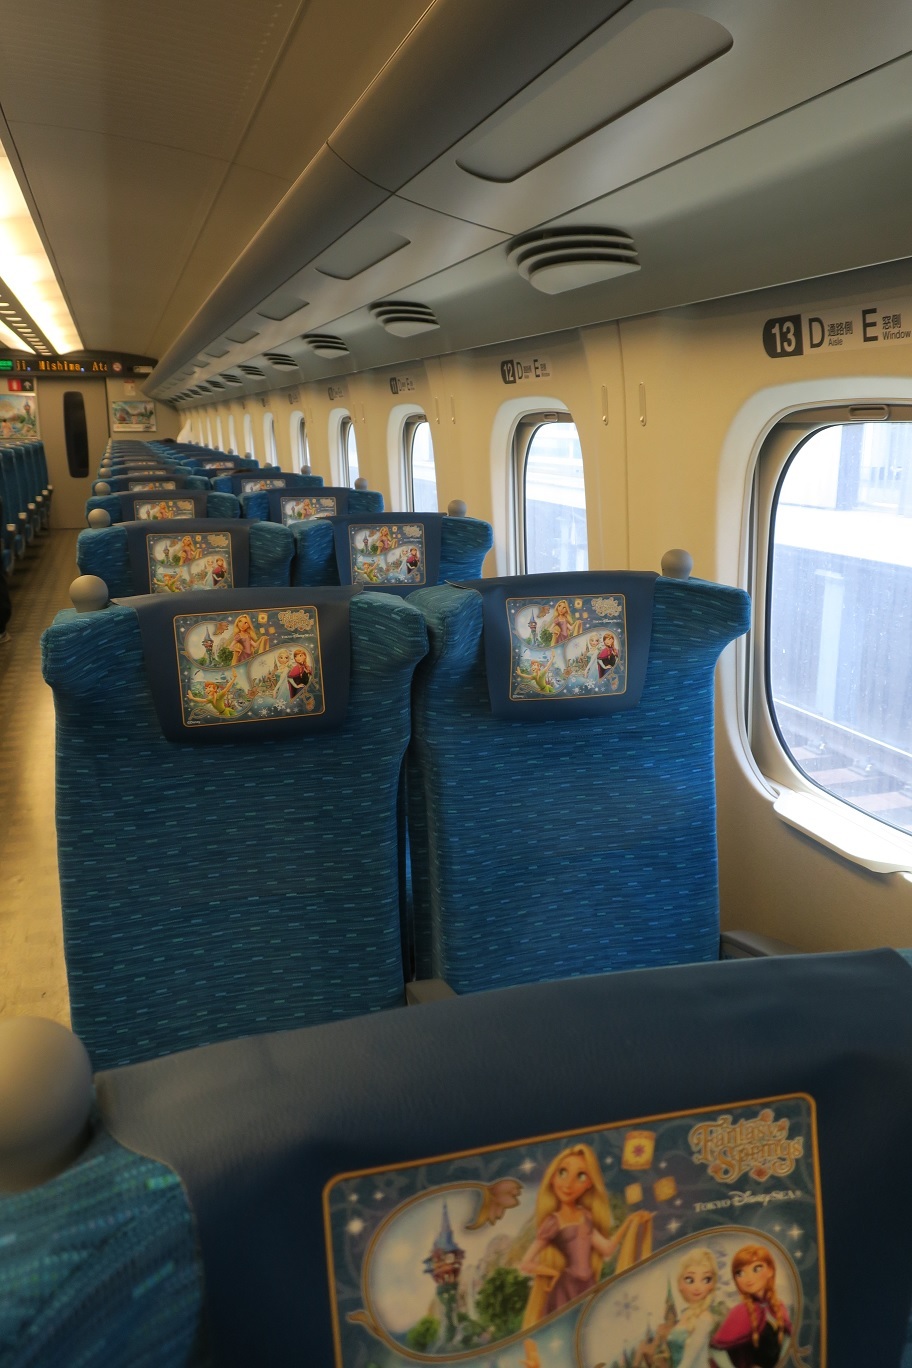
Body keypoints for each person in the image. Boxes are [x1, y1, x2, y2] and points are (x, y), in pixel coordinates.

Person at [519, 1144, 652, 1328]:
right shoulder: (553, 1222)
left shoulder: (586, 1216)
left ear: (589, 1183)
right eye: (563, 1173)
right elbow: (525, 1263)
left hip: (588, 1284)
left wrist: (629, 1222)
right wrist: (553, 1273)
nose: (568, 1184)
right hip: (565, 1288)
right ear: (552, 1177)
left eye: (580, 1176)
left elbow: (607, 1249)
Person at [709, 1245, 791, 1368]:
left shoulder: (778, 1307)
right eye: (740, 1273)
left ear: (770, 1270)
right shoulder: (741, 1311)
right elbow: (716, 1350)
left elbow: (787, 1339)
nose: (748, 1278)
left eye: (756, 1269)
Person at [667, 1248, 721, 1368]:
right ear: (680, 1284)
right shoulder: (685, 1315)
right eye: (690, 1280)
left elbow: (689, 1358)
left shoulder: (705, 1317)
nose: (697, 1287)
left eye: (706, 1280)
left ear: (712, 1285)